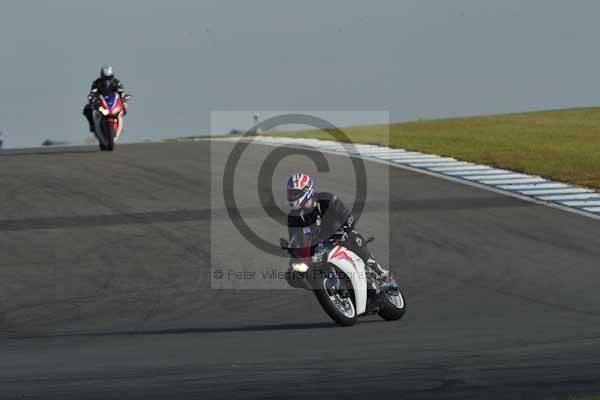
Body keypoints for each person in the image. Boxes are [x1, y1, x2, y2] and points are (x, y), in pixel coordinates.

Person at [285, 173, 390, 288]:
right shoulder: (293, 217)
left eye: (295, 193)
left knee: (354, 238)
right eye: (290, 194)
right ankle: (322, 289)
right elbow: (295, 239)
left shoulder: (326, 199)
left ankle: (378, 270)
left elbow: (347, 217)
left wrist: (344, 231)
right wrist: (293, 252)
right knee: (292, 275)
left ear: (307, 191)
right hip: (317, 248)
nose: (292, 197)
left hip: (337, 236)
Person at [82, 66, 127, 133]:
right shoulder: (97, 83)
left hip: (113, 102)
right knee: (87, 109)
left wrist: (123, 97)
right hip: (101, 102)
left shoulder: (117, 82)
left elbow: (121, 92)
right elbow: (93, 92)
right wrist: (92, 97)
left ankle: (119, 124)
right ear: (102, 76)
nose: (107, 80)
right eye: (105, 77)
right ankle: (92, 125)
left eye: (109, 77)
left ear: (112, 75)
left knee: (124, 106)